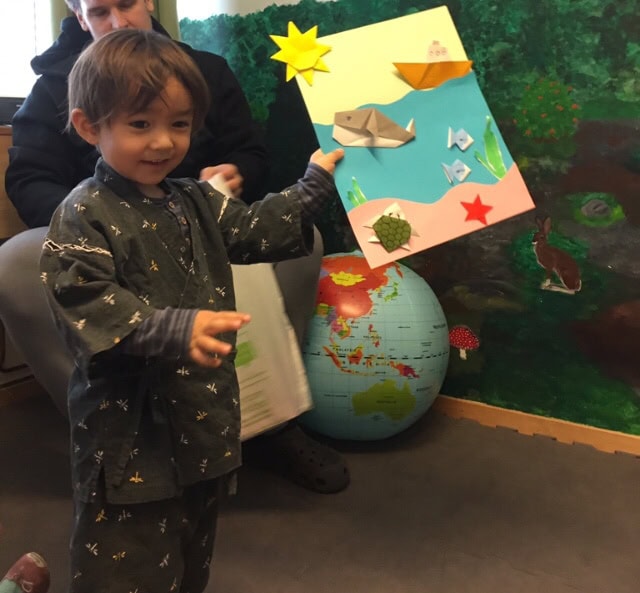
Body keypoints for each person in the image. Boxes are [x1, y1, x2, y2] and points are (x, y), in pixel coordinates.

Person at [40, 28, 344, 593]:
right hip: (130, 432)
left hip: (200, 418)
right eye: (140, 124)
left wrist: (313, 184)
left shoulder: (196, 199)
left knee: (189, 548)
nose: (163, 142)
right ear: (88, 126)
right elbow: (85, 298)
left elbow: (254, 229)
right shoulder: (84, 212)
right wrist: (174, 327)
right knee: (126, 561)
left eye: (179, 124)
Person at [1, 0, 349, 493]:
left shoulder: (203, 71)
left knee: (302, 240)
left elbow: (251, 152)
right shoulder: (52, 89)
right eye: (99, 11)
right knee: (14, 262)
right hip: (101, 239)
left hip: (201, 219)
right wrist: (105, 226)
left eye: (126, 3)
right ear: (79, 16)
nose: (117, 21)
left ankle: (272, 420)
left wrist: (245, 174)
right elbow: (30, 178)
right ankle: (114, 433)